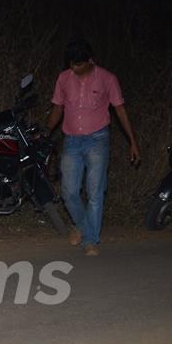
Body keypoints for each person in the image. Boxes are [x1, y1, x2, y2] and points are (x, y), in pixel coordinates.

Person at [45, 39, 140, 256]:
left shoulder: (107, 79)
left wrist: (133, 141)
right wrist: (47, 130)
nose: (74, 68)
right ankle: (82, 225)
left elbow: (120, 110)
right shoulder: (64, 78)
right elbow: (57, 108)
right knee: (69, 192)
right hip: (71, 140)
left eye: (78, 64)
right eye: (71, 64)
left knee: (95, 192)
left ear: (90, 61)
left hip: (98, 140)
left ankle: (90, 241)